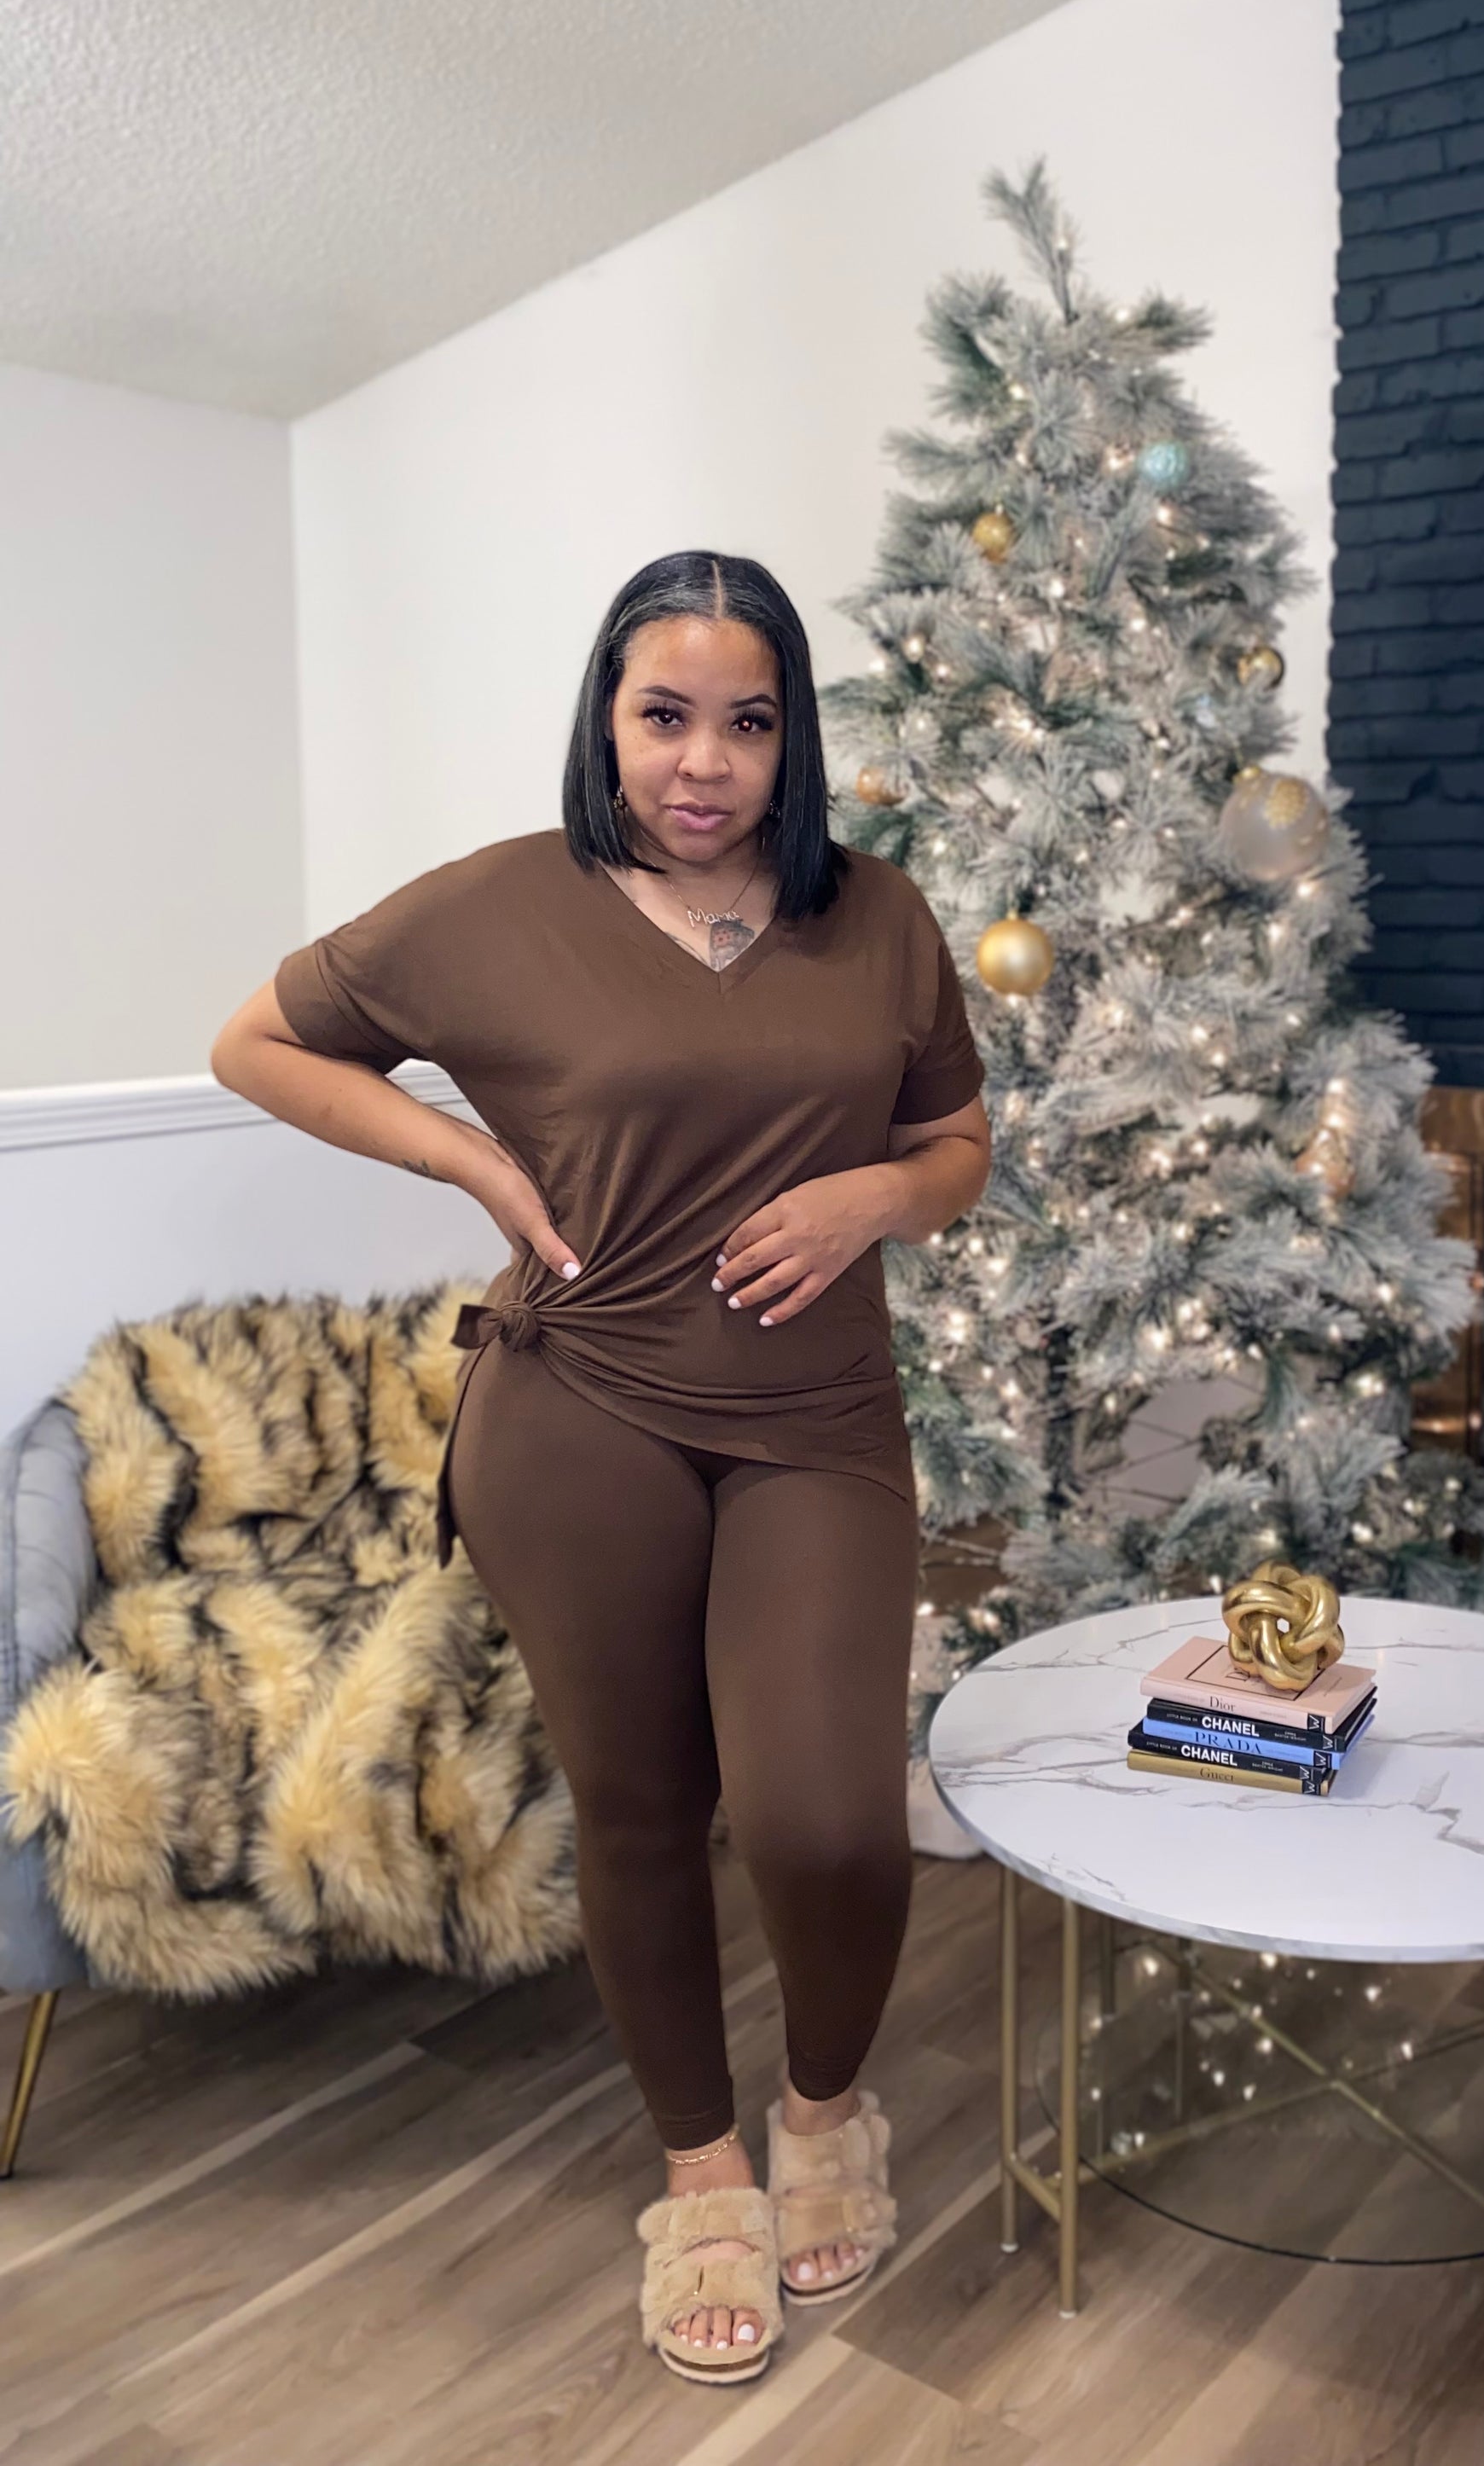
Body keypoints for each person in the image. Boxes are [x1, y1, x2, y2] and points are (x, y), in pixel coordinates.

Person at [211, 550, 991, 2383]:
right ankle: (702, 2171)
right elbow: (254, 1042)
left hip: (817, 1421)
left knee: (821, 1817)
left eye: (748, 722)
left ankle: (823, 2109)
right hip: (580, 1416)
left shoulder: (876, 914)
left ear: (793, 736)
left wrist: (877, 1197)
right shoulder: (501, 903)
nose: (703, 762)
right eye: (665, 716)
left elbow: (956, 1141)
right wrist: (471, 1162)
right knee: (639, 1811)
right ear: (608, 718)